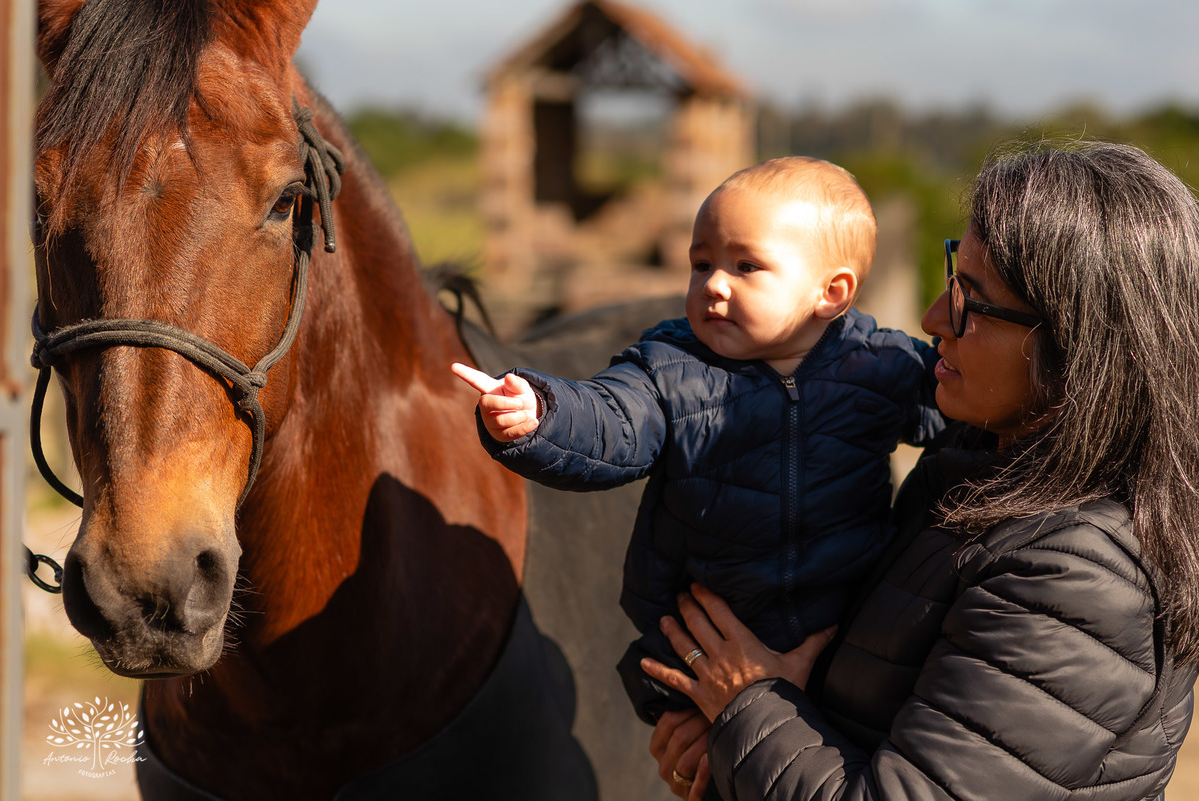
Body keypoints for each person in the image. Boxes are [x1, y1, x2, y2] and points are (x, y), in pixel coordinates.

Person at [642, 141, 1199, 801]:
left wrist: (749, 703)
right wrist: (741, 729)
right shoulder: (981, 463)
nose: (935, 320)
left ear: (1079, 342)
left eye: (972, 301)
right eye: (950, 277)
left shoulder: (1078, 575)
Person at [452, 157, 944, 732]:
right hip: (703, 648)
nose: (713, 283)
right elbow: (612, 422)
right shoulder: (671, 366)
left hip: (850, 631)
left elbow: (957, 411)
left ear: (830, 293)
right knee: (708, 760)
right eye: (701, 262)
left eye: (746, 266)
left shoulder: (881, 363)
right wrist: (540, 413)